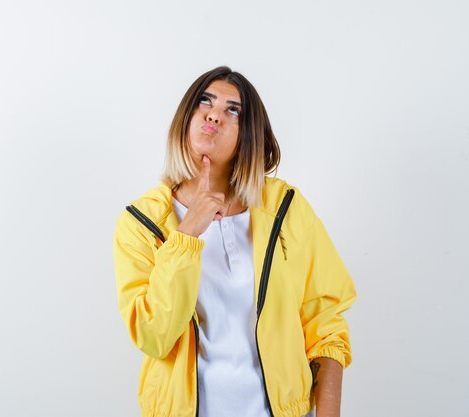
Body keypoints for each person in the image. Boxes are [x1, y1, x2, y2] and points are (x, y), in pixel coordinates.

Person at [112, 66, 356, 417]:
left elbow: (325, 323)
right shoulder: (140, 223)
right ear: (186, 117)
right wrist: (187, 235)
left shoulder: (285, 207)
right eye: (204, 102)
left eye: (233, 110)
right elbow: (154, 337)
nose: (214, 113)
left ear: (250, 134)